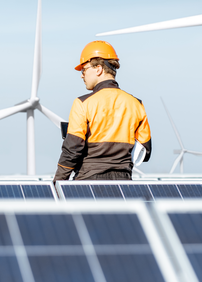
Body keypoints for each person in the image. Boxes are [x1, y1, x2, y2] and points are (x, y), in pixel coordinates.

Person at [54, 40, 151, 182]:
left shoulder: (82, 103)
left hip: (88, 184)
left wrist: (58, 183)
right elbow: (145, 152)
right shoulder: (136, 104)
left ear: (98, 69)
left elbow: (72, 150)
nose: (82, 75)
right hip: (124, 185)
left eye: (84, 69)